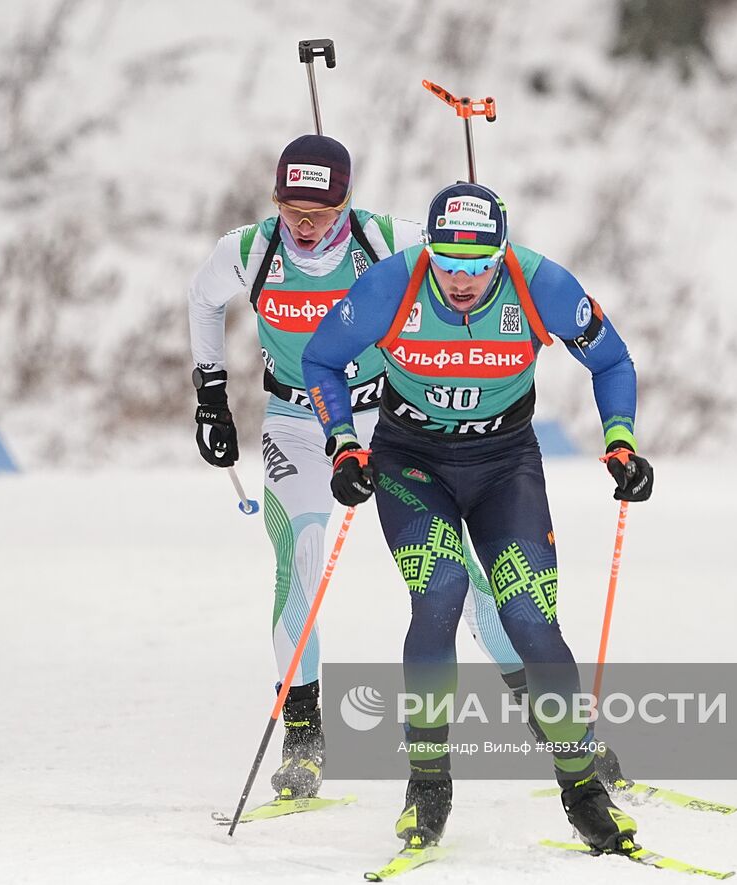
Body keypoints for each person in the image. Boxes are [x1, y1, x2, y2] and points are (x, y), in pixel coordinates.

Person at [300, 181, 654, 853]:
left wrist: (621, 440)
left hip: (503, 463)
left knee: (530, 616)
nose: (461, 281)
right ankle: (428, 785)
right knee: (439, 593)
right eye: (448, 264)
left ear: (500, 256)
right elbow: (321, 358)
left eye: (477, 266)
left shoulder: (540, 283)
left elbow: (611, 358)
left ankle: (583, 792)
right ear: (429, 251)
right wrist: (343, 442)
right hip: (412, 462)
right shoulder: (391, 285)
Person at [186, 137, 531, 802]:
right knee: (300, 557)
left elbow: (471, 259)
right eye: (291, 208)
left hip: (388, 420)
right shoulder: (251, 249)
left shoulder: (388, 240)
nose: (305, 224)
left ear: (347, 200)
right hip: (295, 418)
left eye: (321, 209)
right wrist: (210, 392)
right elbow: (201, 298)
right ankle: (305, 733)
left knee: (453, 567)